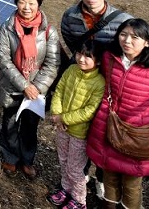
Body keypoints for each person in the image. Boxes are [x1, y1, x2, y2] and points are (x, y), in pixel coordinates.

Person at [86, 19, 149, 209]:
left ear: (147, 42)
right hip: (108, 126)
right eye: (123, 34)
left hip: (138, 135)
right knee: (109, 175)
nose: (127, 41)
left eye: (135, 37)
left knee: (132, 184)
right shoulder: (110, 58)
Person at [59, 0, 132, 198]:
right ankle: (77, 175)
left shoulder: (122, 20)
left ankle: (101, 178)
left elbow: (127, 50)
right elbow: (71, 42)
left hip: (109, 86)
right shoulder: (70, 16)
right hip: (81, 82)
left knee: (102, 135)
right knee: (78, 133)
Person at [0, 0, 60, 179]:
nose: (26, 7)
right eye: (22, 2)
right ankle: (10, 157)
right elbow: (4, 60)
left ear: (38, 4)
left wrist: (37, 88)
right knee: (10, 123)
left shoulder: (48, 31)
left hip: (37, 92)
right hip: (13, 87)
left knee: (30, 126)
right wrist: (24, 85)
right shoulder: (7, 28)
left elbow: (52, 63)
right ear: (16, 3)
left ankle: (27, 160)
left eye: (31, 3)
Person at [47, 40, 106, 209]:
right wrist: (56, 114)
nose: (81, 59)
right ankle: (65, 190)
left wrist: (63, 118)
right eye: (80, 54)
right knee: (63, 160)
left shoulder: (99, 82)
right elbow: (58, 91)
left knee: (75, 168)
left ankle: (79, 200)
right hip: (62, 128)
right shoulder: (71, 70)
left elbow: (89, 111)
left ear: (99, 61)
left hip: (80, 133)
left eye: (88, 56)